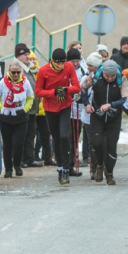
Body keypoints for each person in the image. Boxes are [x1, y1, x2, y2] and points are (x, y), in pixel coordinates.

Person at [35, 48, 81, 185]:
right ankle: (60, 167)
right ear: (52, 61)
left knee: (64, 136)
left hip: (65, 106)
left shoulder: (68, 67)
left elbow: (77, 87)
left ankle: (66, 169)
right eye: (58, 63)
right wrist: (54, 92)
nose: (61, 66)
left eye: (63, 63)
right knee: (55, 138)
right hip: (50, 108)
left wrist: (66, 89)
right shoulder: (44, 71)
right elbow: (38, 91)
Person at [87, 60, 128, 185]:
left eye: (112, 76)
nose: (110, 78)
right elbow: (83, 89)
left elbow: (126, 98)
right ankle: (99, 165)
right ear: (103, 73)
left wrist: (111, 105)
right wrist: (86, 104)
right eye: (107, 76)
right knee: (96, 142)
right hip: (97, 116)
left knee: (111, 147)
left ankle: (109, 173)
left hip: (113, 118)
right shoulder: (95, 77)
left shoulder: (121, 79)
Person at [0, 61, 35, 178]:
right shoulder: (2, 83)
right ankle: (8, 168)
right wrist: (2, 108)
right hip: (6, 117)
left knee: (19, 143)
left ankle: (17, 165)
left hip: (21, 117)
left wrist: (24, 110)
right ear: (9, 72)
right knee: (7, 144)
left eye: (18, 72)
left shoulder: (25, 83)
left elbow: (30, 97)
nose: (16, 75)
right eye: (13, 72)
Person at [12, 43, 43, 169]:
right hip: (23, 107)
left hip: (32, 108)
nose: (28, 57)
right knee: (21, 135)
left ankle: (29, 158)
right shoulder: (16, 68)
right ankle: (19, 160)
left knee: (30, 134)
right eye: (25, 55)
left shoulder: (28, 67)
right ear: (19, 56)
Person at [80, 51, 104, 179]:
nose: (88, 67)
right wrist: (86, 104)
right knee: (91, 143)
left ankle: (101, 165)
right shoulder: (85, 78)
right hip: (88, 115)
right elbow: (82, 92)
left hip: (100, 114)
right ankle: (93, 169)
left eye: (91, 65)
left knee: (99, 142)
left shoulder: (103, 78)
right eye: (87, 65)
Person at [67, 47, 87, 177]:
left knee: (75, 137)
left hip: (78, 110)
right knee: (67, 137)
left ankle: (71, 164)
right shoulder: (65, 70)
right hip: (66, 109)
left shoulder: (83, 71)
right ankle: (65, 164)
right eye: (73, 61)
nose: (75, 64)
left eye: (77, 61)